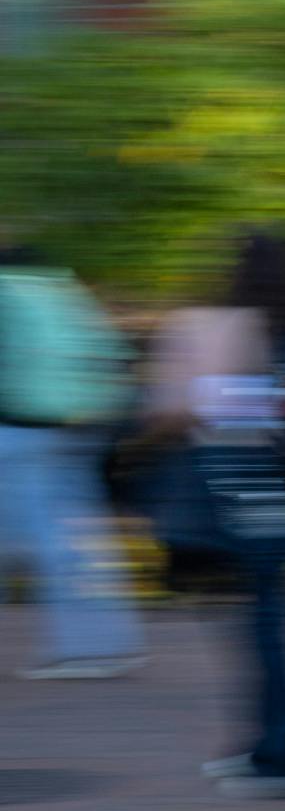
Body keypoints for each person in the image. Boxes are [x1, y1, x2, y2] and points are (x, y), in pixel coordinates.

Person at [147, 232, 285, 798]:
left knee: (263, 632)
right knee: (269, 627)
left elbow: (196, 408)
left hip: (241, 498)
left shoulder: (235, 326)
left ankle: (283, 758)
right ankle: (270, 748)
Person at [0, 239, 146, 680]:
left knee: (44, 544)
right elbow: (117, 357)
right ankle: (108, 643)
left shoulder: (6, 295)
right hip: (76, 430)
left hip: (19, 431)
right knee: (79, 545)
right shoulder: (66, 293)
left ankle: (89, 650)